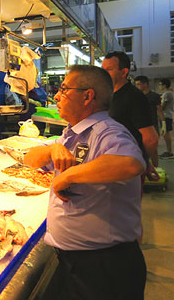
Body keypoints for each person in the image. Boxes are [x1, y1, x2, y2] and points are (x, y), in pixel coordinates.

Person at [23, 65, 146, 300]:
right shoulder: (72, 134)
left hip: (104, 268)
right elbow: (30, 159)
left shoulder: (107, 131)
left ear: (88, 96)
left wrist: (67, 177)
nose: (57, 96)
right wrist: (53, 149)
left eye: (64, 89)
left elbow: (131, 163)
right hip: (76, 262)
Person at [102, 51, 159, 180]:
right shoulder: (109, 95)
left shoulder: (134, 97)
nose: (104, 74)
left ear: (124, 72)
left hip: (127, 166)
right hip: (111, 162)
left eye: (109, 69)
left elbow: (151, 138)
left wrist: (144, 160)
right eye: (103, 69)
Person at [158, 78, 174, 158]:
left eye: (160, 84)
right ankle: (169, 151)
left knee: (166, 133)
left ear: (164, 85)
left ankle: (169, 152)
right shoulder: (166, 93)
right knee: (165, 134)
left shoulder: (167, 93)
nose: (159, 86)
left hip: (166, 116)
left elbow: (162, 106)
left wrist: (157, 107)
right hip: (164, 116)